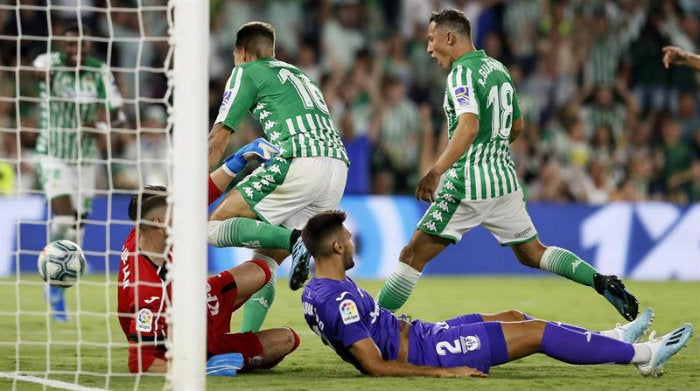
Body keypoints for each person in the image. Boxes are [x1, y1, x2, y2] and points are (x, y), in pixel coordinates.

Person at [376, 9, 639, 321]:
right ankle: (600, 281)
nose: (429, 48)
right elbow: (517, 126)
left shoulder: (461, 74)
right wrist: (493, 147)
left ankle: (367, 327)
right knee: (533, 253)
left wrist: (436, 171)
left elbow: (468, 126)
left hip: (468, 183)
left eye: (432, 40)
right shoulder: (498, 68)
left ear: (450, 37)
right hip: (504, 182)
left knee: (411, 256)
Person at [301, 210, 693, 378]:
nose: (352, 244)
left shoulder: (319, 290)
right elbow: (374, 366)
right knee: (537, 332)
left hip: (425, 334)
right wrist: (445, 372)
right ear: (336, 248)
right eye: (348, 240)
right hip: (430, 353)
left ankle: (613, 339)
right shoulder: (340, 301)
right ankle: (643, 355)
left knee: (515, 315)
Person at [206, 21, 349, 333]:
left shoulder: (246, 70)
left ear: (241, 52)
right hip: (337, 169)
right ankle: (246, 340)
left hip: (298, 159)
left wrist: (194, 186)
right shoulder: (300, 75)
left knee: (213, 227)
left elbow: (219, 138)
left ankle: (298, 240)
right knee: (264, 263)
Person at [117, 139, 299, 375]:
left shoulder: (144, 227)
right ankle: (219, 356)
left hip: (192, 300)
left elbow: (201, 194)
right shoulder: (148, 291)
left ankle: (232, 344)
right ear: (159, 222)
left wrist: (237, 161)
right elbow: (141, 363)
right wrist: (198, 370)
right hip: (178, 337)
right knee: (287, 339)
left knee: (260, 272)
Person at [33, 24, 125, 322]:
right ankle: (52, 280)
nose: (75, 51)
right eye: (70, 46)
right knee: (63, 216)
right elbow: (36, 69)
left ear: (88, 48)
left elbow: (118, 113)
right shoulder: (50, 62)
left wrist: (102, 127)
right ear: (63, 45)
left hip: (86, 160)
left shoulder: (99, 71)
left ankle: (59, 284)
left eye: (81, 47)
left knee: (76, 230)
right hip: (54, 154)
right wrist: (43, 75)